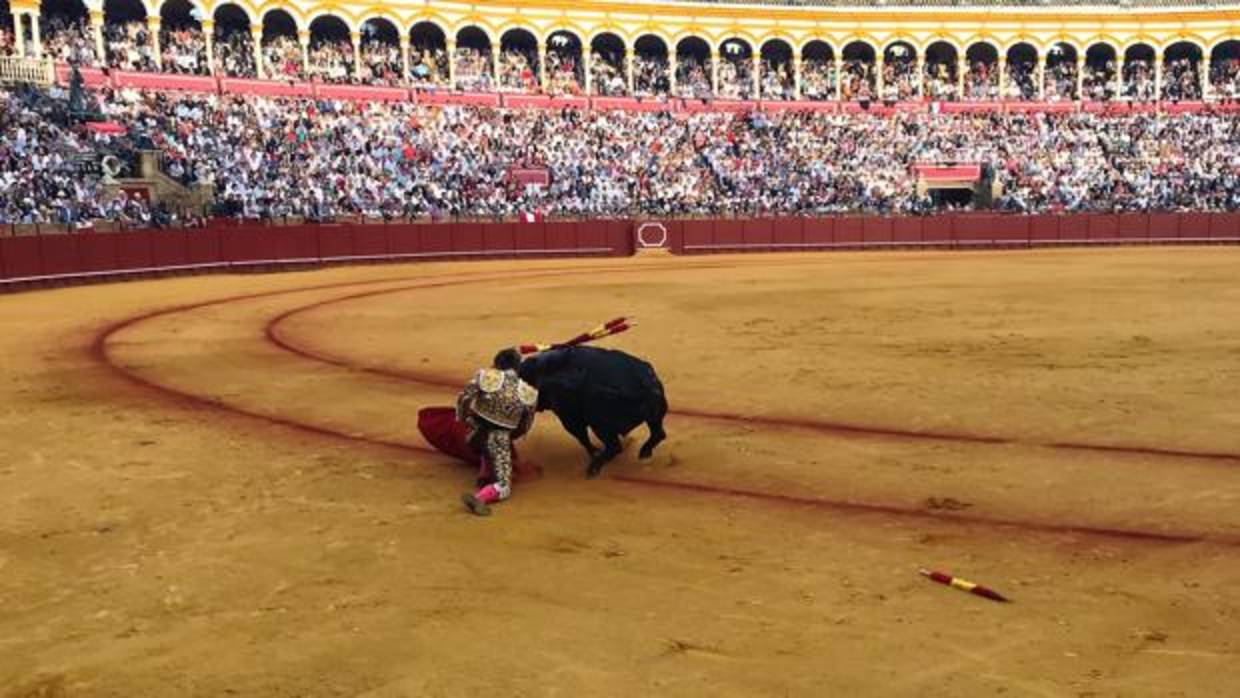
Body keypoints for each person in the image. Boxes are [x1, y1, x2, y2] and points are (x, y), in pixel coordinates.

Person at [457, 348, 538, 516]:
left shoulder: (485, 376)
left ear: (496, 364)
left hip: (474, 433)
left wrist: (465, 420)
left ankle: (484, 472)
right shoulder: (529, 393)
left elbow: (464, 398)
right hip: (499, 437)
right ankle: (479, 498)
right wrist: (508, 437)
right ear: (518, 367)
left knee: (484, 447)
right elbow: (525, 426)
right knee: (503, 487)